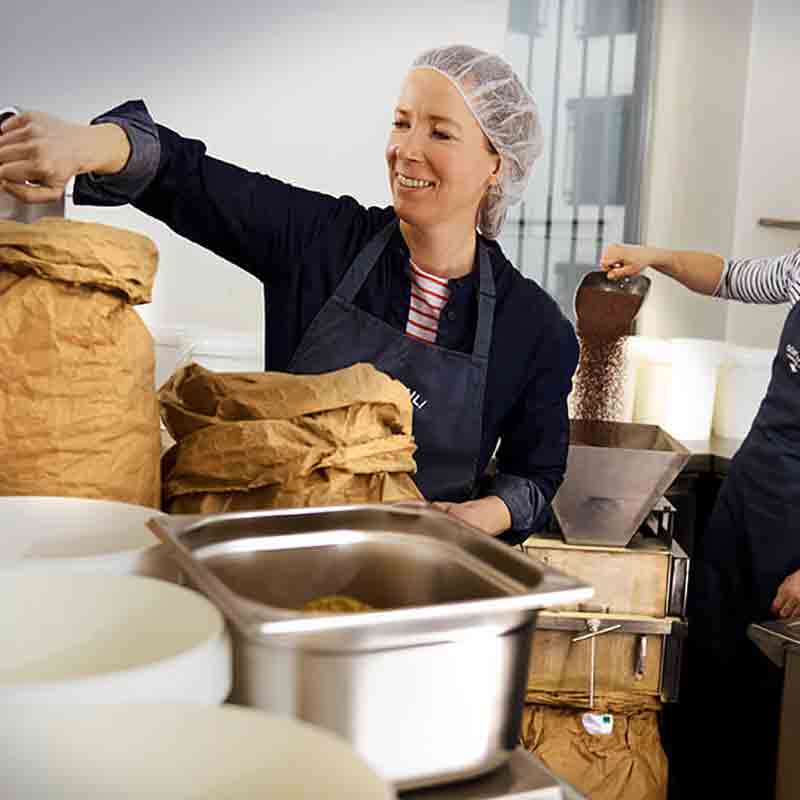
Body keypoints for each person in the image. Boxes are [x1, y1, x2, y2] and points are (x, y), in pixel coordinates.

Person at [0, 45, 579, 544]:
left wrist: (471, 518)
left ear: (497, 165)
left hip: (419, 579)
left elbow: (533, 477)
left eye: (440, 132)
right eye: (401, 122)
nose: (407, 148)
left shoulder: (535, 330)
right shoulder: (322, 243)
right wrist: (86, 144)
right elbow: (188, 180)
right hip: (277, 563)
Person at [601, 242, 800, 798]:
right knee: (709, 667)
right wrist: (654, 257)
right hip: (752, 491)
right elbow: (729, 277)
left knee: (767, 704)